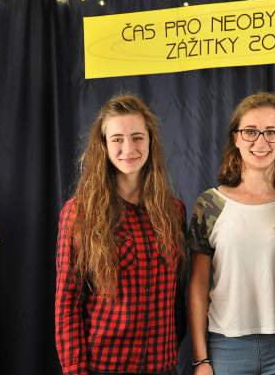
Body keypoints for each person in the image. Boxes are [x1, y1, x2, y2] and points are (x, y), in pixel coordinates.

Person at [188, 92, 275, 375]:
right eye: (250, 131)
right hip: (226, 348)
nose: (261, 142)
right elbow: (198, 287)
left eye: (271, 132)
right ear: (236, 138)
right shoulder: (210, 204)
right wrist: (201, 360)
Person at [55, 95, 186, 375]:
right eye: (117, 139)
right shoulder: (79, 212)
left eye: (137, 137)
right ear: (103, 145)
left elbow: (178, 295)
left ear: (150, 142)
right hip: (105, 365)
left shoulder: (173, 211)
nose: (128, 148)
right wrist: (75, 369)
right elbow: (67, 300)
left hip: (163, 365)